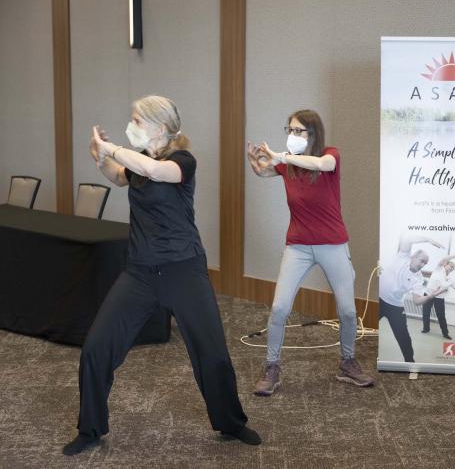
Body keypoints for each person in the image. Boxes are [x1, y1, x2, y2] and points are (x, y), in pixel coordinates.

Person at [63, 95, 260, 456]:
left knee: (212, 353)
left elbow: (155, 172)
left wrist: (113, 147)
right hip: (139, 273)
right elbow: (118, 177)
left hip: (184, 270)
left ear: (160, 127)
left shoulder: (182, 161)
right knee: (96, 348)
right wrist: (101, 157)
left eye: (137, 121)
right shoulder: (138, 164)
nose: (131, 126)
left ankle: (232, 424)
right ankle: (90, 428)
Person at [247, 109, 375, 395]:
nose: (292, 136)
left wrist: (283, 157)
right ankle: (272, 367)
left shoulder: (331, 154)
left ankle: (347, 362)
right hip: (298, 246)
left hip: (333, 244)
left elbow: (323, 164)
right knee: (280, 307)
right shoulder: (288, 166)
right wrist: (257, 164)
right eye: (289, 130)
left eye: (298, 131)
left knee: (348, 311)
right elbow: (266, 170)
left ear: (313, 134)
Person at [378, 235, 448, 362]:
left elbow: (417, 301)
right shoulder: (403, 256)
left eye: (425, 263)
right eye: (421, 261)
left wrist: (433, 294)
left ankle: (410, 363)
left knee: (404, 338)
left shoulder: (418, 278)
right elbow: (406, 239)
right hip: (379, 300)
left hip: (396, 307)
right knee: (366, 323)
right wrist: (428, 239)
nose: (422, 265)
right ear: (414, 256)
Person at [420, 254, 455, 339]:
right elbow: (444, 259)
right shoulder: (438, 269)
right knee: (425, 313)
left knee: (441, 316)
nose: (451, 268)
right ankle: (426, 328)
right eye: (450, 266)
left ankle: (445, 333)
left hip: (439, 298)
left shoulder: (450, 279)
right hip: (428, 294)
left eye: (453, 268)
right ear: (445, 265)